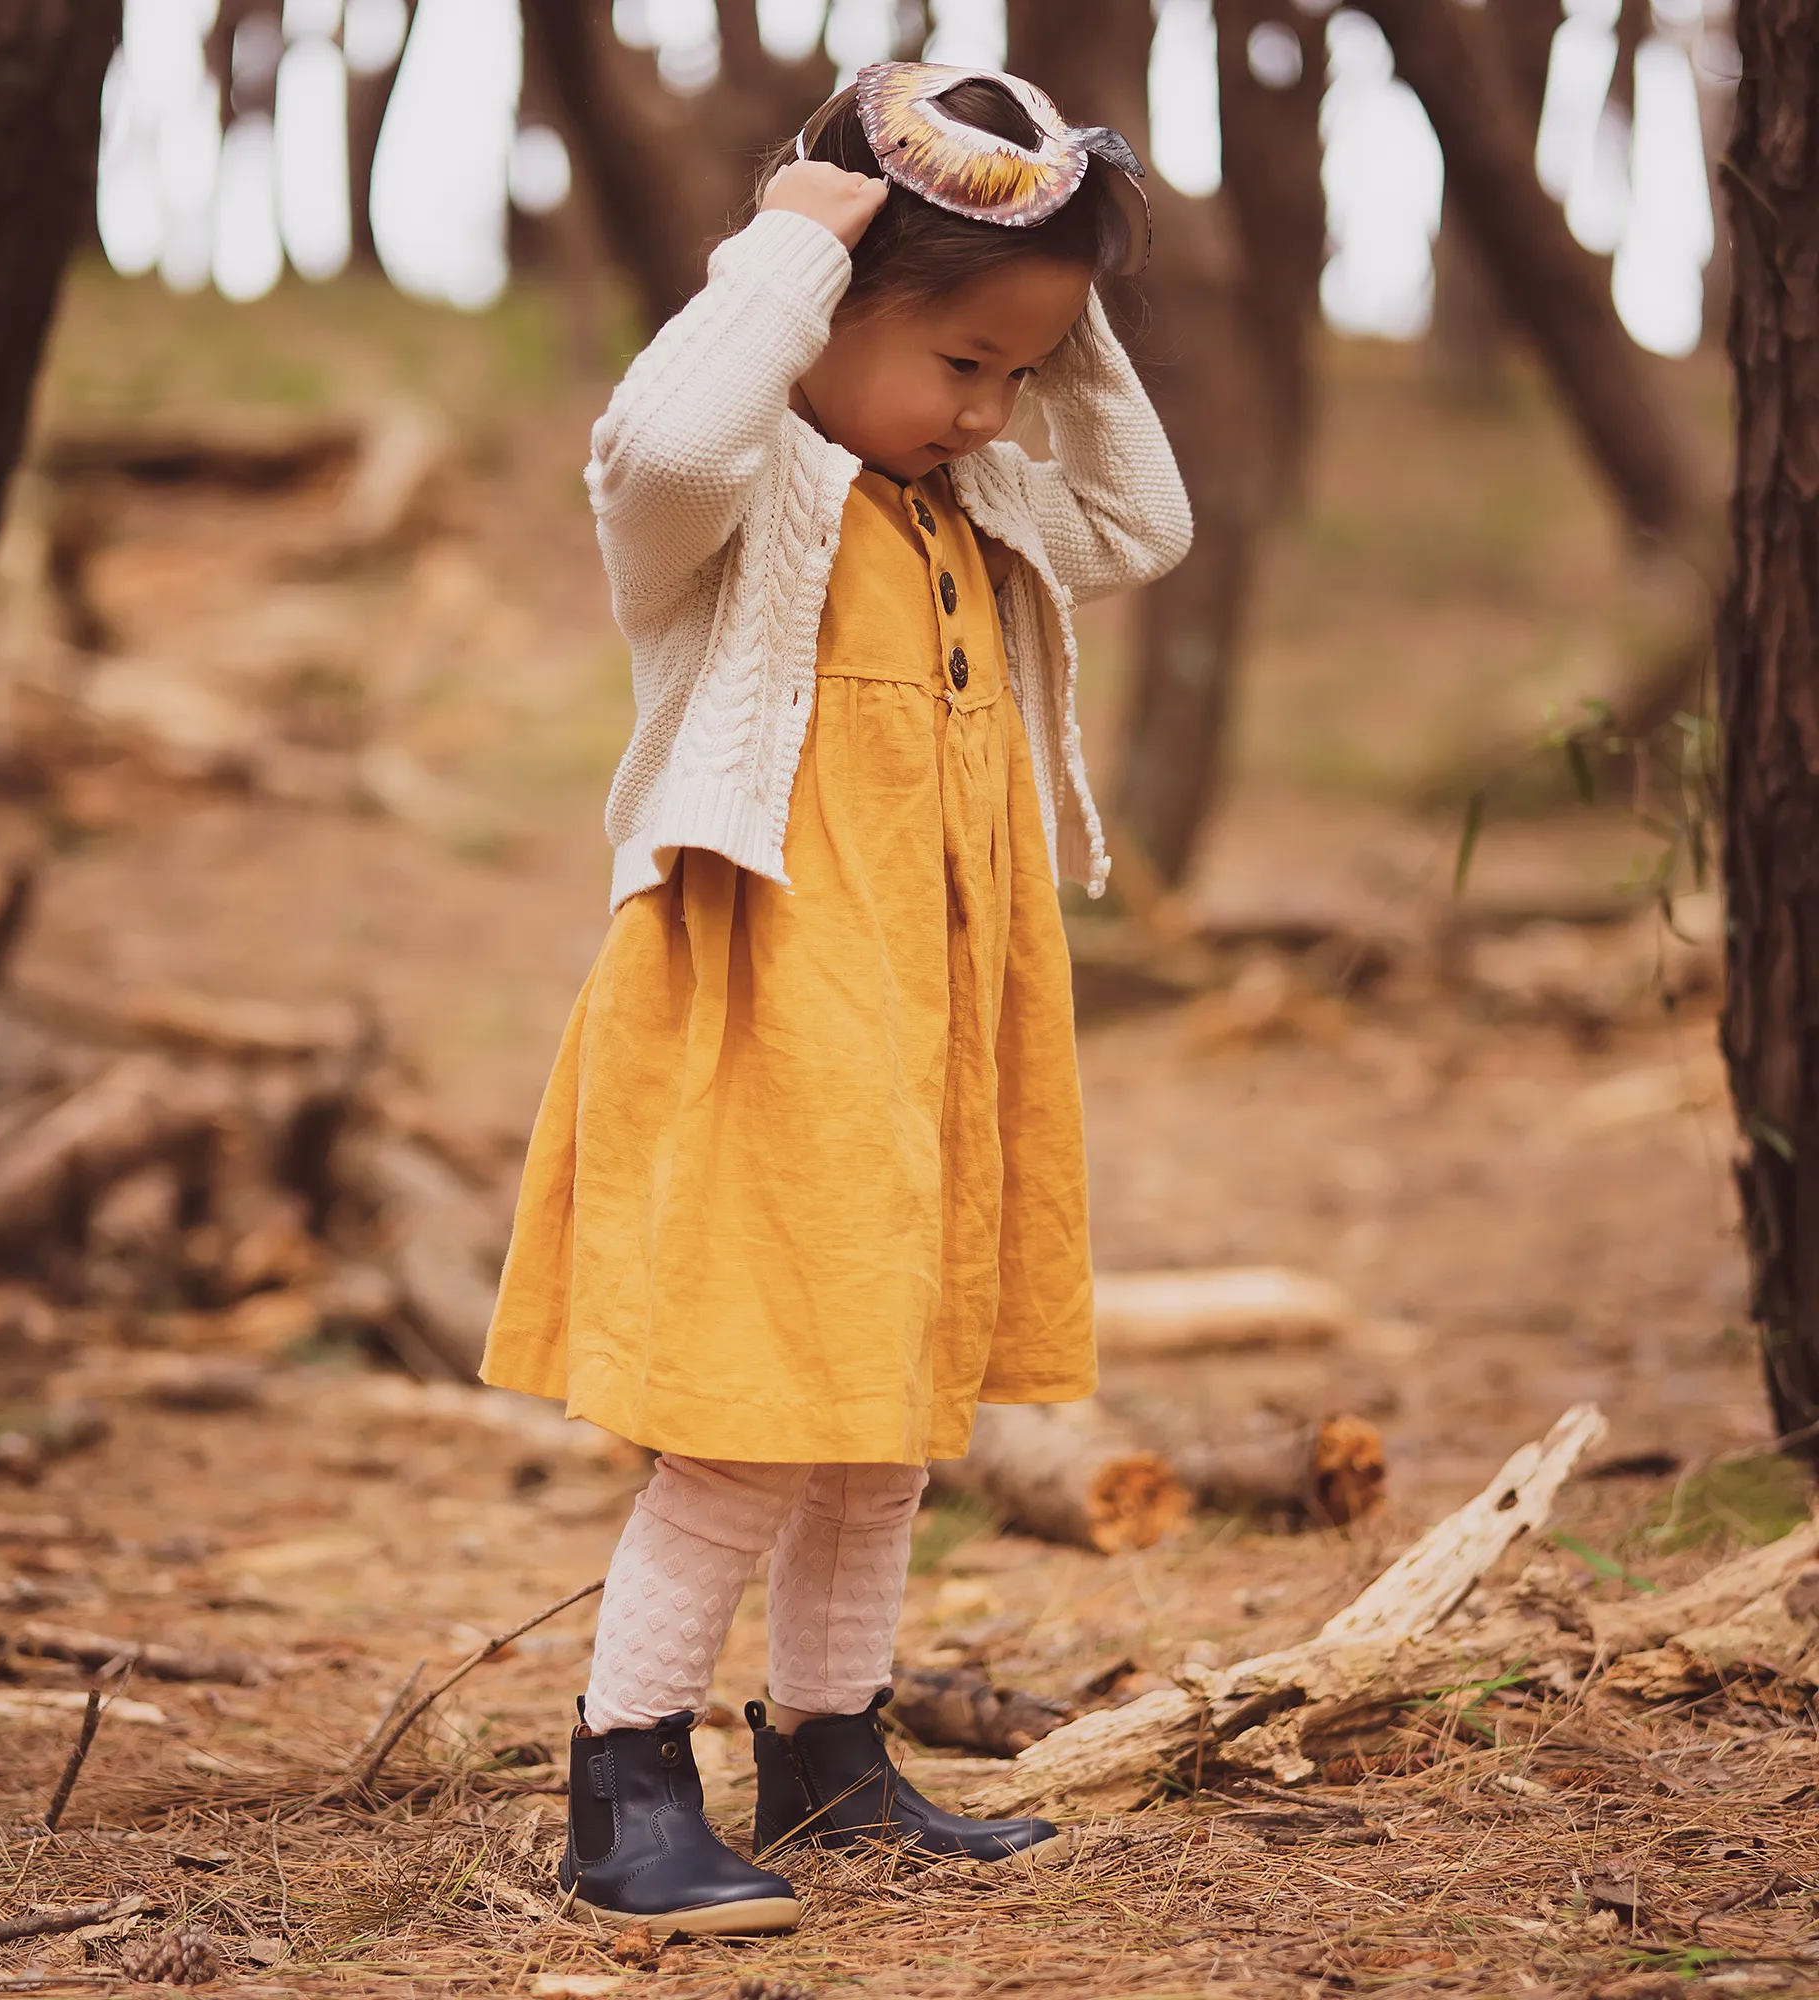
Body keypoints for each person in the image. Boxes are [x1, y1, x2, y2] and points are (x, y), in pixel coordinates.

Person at [482, 59, 1193, 1937]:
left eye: (1017, 379)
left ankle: (831, 1756)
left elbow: (1147, 526)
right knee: (754, 1410)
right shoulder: (738, 508)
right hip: (776, 1001)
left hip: (935, 1013)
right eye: (961, 365)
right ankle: (625, 1785)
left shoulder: (980, 516)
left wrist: (1058, 305)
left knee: (888, 1414)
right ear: (824, 314)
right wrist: (790, 257)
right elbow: (657, 443)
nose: (992, 412)